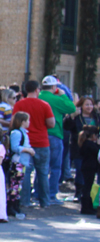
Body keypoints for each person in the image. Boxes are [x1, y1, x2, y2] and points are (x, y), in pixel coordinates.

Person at [13, 81, 55, 208]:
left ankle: (25, 201)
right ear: (37, 90)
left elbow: (13, 122)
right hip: (42, 142)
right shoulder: (44, 105)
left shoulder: (19, 104)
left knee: (26, 173)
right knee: (42, 173)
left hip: (25, 143)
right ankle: (45, 201)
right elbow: (51, 123)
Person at [38, 75, 76, 204]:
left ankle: (38, 193)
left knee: (41, 167)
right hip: (54, 134)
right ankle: (52, 194)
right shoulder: (56, 99)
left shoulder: (38, 97)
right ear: (54, 87)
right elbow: (72, 108)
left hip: (39, 135)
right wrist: (63, 94)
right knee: (55, 167)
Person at [64, 95, 98, 201]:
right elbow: (67, 126)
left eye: (91, 104)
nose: (89, 107)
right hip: (79, 148)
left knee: (91, 171)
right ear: (81, 106)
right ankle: (79, 191)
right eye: (87, 104)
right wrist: (71, 116)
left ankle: (90, 192)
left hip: (93, 149)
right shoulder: (77, 117)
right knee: (80, 170)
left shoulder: (96, 117)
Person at [9, 112, 36, 209]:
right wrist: (27, 149)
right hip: (17, 162)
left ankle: (16, 204)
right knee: (14, 185)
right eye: (27, 120)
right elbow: (15, 147)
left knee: (18, 185)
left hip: (23, 162)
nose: (29, 122)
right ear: (22, 121)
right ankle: (11, 205)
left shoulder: (24, 133)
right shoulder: (17, 133)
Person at [77, 126, 100, 216]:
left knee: (88, 187)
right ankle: (86, 207)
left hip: (87, 167)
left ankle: (88, 206)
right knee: (87, 187)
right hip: (89, 168)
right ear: (93, 135)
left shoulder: (86, 143)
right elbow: (97, 152)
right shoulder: (90, 144)